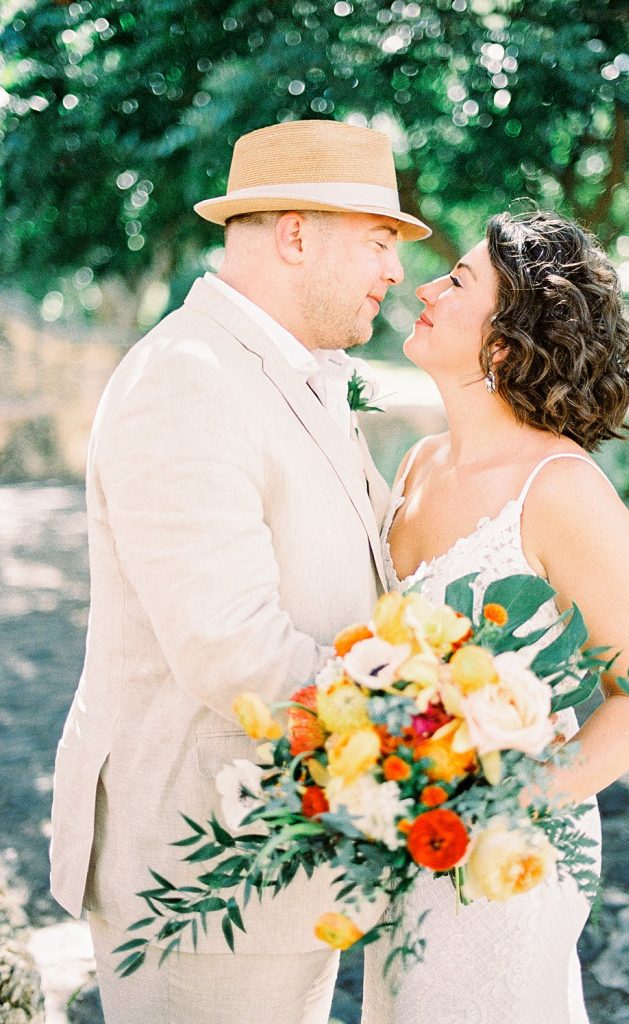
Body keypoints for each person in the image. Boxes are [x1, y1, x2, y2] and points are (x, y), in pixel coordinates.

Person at [49, 119, 431, 1024]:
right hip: (201, 863)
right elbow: (232, 650)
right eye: (380, 241)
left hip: (286, 854)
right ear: (296, 234)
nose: (395, 271)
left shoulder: (289, 371)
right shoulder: (189, 377)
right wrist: (431, 739)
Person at [362, 209, 629, 1024]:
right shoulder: (419, 463)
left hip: (507, 852)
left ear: (503, 342)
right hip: (406, 839)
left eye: (458, 280)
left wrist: (500, 805)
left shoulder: (561, 491)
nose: (423, 285)